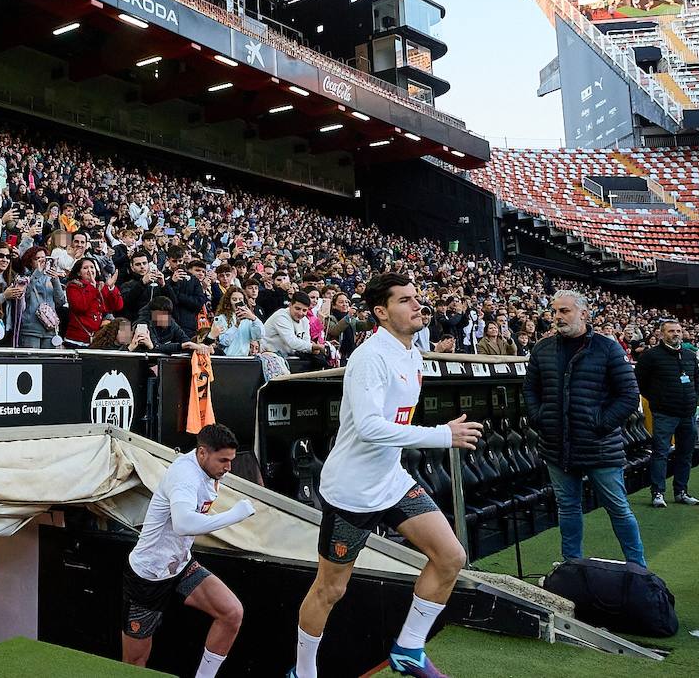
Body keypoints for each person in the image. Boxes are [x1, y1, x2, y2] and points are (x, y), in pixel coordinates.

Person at [289, 273, 481, 678]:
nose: (417, 306)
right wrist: (442, 435)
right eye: (406, 300)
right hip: (352, 492)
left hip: (391, 481)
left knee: (450, 557)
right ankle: (303, 671)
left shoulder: (412, 352)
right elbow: (370, 427)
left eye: (417, 298)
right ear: (381, 312)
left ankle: (409, 648)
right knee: (331, 589)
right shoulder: (369, 358)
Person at [523, 290, 646, 567]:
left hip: (599, 446)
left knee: (618, 509)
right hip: (556, 446)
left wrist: (600, 424)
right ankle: (571, 567)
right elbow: (530, 389)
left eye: (564, 311)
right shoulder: (542, 348)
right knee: (567, 508)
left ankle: (639, 569)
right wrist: (539, 417)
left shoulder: (607, 348)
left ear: (583, 313)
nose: (557, 317)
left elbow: (628, 395)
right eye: (555, 311)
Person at [121, 423, 255, 677]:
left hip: (181, 566)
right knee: (134, 662)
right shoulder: (185, 476)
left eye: (231, 460)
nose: (228, 467)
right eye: (223, 460)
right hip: (148, 576)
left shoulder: (213, 472)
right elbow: (183, 524)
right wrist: (233, 515)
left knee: (231, 613)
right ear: (202, 453)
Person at [636, 318, 699, 508]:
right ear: (662, 334)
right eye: (671, 331)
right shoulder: (650, 356)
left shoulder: (690, 355)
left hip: (687, 413)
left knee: (686, 453)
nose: (676, 334)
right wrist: (659, 400)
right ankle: (658, 492)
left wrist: (691, 400)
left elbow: (695, 381)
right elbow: (640, 383)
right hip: (664, 414)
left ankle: (681, 491)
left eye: (678, 331)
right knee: (660, 453)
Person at [62, 256, 123, 347]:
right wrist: (92, 288)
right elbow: (81, 307)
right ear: (79, 272)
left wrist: (111, 288)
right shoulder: (73, 287)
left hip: (96, 340)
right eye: (85, 268)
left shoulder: (100, 286)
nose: (90, 271)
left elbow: (117, 306)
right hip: (76, 340)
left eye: (92, 267)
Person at [16, 245, 65, 348]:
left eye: (44, 258)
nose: (41, 262)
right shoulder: (24, 278)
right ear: (30, 261)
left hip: (49, 329)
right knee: (32, 362)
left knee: (48, 362)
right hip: (31, 330)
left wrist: (56, 280)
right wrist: (37, 273)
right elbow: (24, 294)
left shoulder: (51, 278)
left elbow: (60, 301)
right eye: (37, 259)